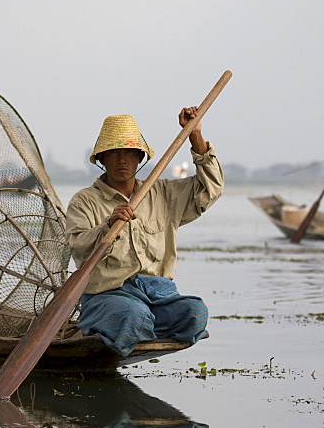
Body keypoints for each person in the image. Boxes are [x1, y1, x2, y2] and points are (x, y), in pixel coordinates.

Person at [65, 109, 224, 356]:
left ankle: (138, 328)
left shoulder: (162, 194)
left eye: (129, 153)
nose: (122, 161)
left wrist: (195, 136)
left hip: (159, 293)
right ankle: (120, 324)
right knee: (132, 315)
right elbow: (78, 246)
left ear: (140, 158)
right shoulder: (84, 201)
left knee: (196, 312)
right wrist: (107, 225)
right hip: (109, 294)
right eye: (114, 153)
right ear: (102, 160)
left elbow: (210, 190)